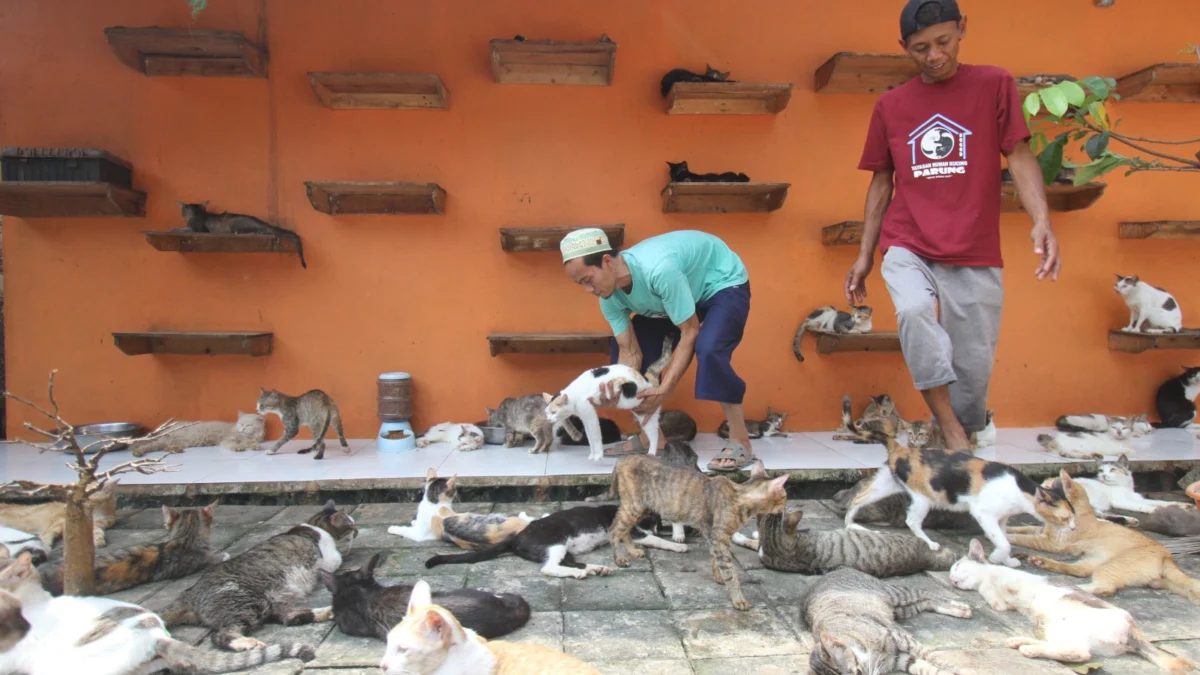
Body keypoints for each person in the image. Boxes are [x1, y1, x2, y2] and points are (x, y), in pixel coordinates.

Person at [844, 0, 1060, 450]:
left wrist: (1042, 220)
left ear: (962, 28)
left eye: (943, 42)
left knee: (973, 363)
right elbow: (882, 181)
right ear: (904, 47)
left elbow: (1018, 154)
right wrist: (866, 252)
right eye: (920, 48)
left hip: (974, 247)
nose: (934, 55)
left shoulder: (994, 83)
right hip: (908, 240)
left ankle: (955, 434)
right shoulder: (891, 105)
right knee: (913, 312)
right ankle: (952, 427)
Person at [560, 228, 755, 471]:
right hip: (673, 297)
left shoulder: (658, 270)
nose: (588, 290)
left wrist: (664, 390)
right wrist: (619, 389)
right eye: (581, 284)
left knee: (710, 348)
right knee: (630, 353)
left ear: (607, 262)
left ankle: (740, 440)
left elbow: (690, 332)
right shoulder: (608, 298)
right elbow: (630, 352)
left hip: (720, 283)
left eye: (588, 280)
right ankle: (651, 439)